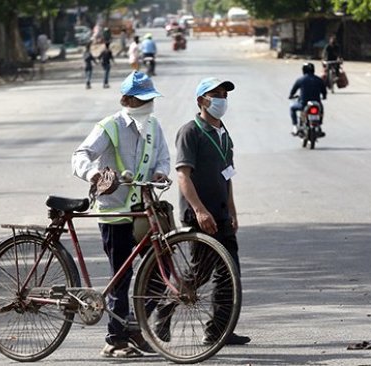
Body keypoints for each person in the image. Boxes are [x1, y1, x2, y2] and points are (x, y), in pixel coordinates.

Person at [72, 70, 170, 358]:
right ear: (126, 100)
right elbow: (80, 155)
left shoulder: (153, 126)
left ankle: (134, 325)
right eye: (141, 100)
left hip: (143, 210)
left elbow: (163, 155)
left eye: (150, 100)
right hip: (114, 212)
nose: (148, 105)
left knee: (161, 269)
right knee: (122, 276)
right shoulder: (110, 126)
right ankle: (115, 340)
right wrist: (94, 174)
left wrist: (161, 171)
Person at [174, 77, 251, 345]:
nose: (221, 99)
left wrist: (232, 211)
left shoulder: (224, 134)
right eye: (214, 95)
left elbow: (227, 176)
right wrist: (199, 210)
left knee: (229, 274)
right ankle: (163, 311)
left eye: (224, 95)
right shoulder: (190, 132)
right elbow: (183, 176)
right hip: (199, 215)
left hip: (221, 215)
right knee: (200, 273)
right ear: (201, 101)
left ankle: (219, 330)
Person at [288, 63, 327, 136]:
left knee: (292, 108)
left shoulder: (300, 80)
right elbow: (324, 91)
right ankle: (319, 126)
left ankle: (295, 127)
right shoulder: (319, 80)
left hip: (303, 104)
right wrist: (324, 96)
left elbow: (293, 90)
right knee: (321, 110)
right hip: (317, 104)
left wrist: (291, 96)